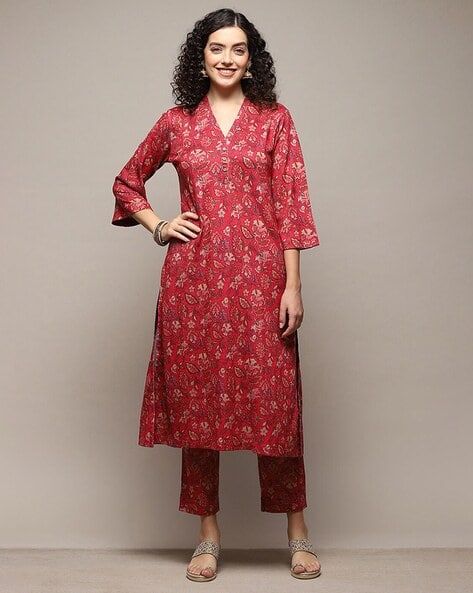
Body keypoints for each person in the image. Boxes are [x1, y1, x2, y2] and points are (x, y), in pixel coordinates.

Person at [111, 8, 321, 582]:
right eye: (216, 48)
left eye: (238, 49)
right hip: (195, 283)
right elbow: (127, 182)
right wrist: (159, 224)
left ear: (252, 60)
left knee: (277, 406)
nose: (227, 59)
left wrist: (293, 285)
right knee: (198, 407)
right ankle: (207, 537)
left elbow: (292, 205)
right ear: (200, 58)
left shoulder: (275, 120)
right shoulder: (177, 122)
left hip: (261, 282)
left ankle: (298, 534)